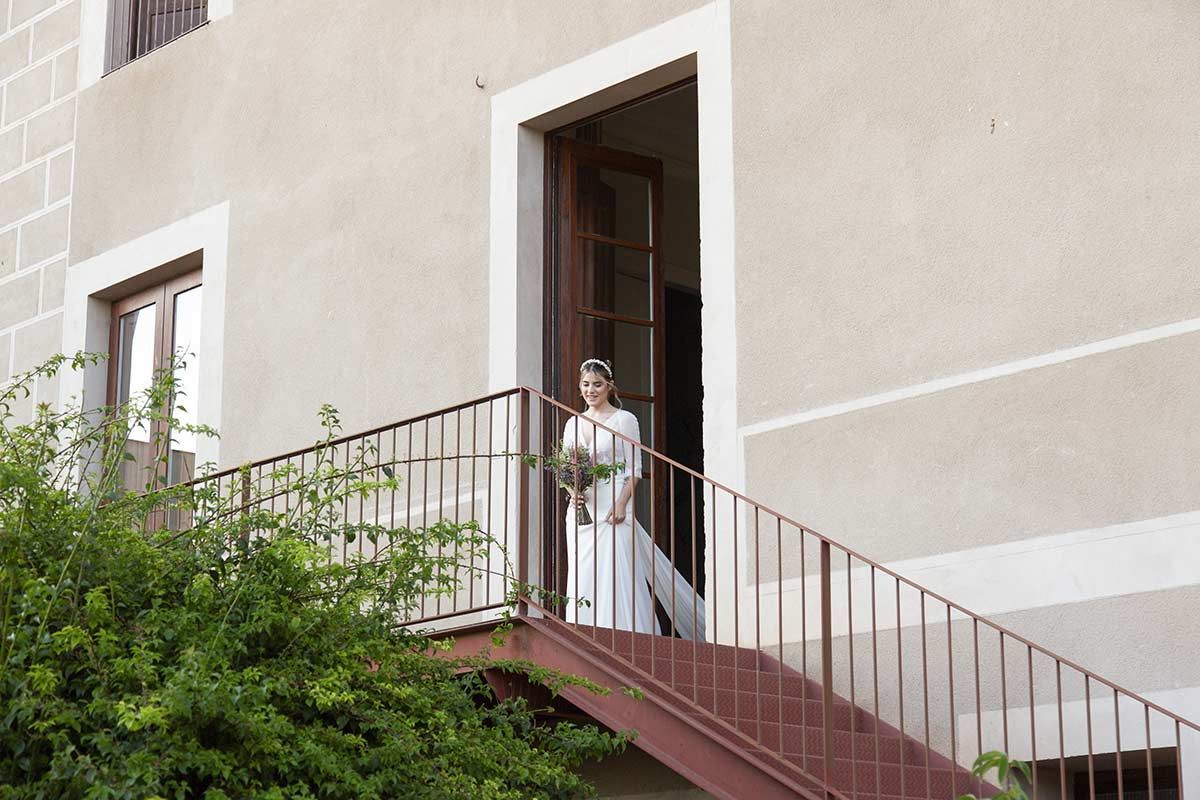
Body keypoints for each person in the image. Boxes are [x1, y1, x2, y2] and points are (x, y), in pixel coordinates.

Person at [560, 358, 705, 640]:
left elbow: (634, 469)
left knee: (616, 571)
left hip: (613, 505)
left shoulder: (625, 420)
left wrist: (622, 503)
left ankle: (624, 634)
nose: (591, 391)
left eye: (598, 385)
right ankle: (584, 633)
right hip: (581, 509)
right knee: (583, 571)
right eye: (586, 385)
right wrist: (572, 492)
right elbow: (567, 468)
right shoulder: (573, 424)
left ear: (609, 387)